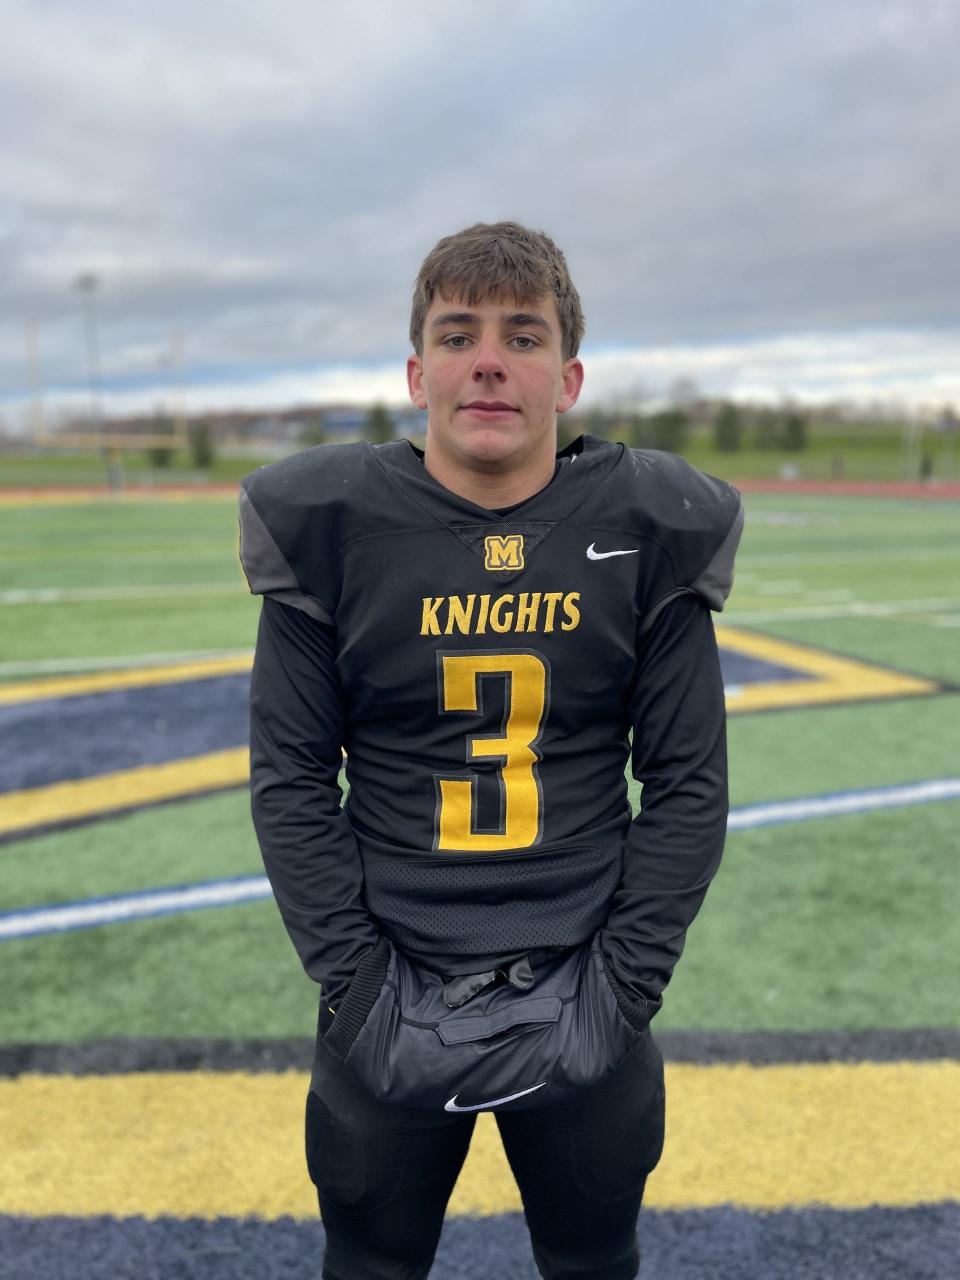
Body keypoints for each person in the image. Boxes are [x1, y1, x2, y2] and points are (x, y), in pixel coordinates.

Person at [238, 221, 743, 1280]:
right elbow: (289, 780)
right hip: (389, 977)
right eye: (459, 333)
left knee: (593, 1258)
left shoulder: (645, 525)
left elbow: (690, 782)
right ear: (419, 372)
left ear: (569, 375)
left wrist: (622, 991)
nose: (489, 360)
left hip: (585, 977)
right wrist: (359, 987)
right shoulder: (334, 524)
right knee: (370, 1263)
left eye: (523, 335)